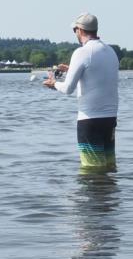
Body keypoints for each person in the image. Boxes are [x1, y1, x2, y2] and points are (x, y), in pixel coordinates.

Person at [43, 13, 119, 170]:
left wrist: (54, 84)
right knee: (109, 167)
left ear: (80, 30)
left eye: (74, 30)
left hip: (90, 121)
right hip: (110, 119)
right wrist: (71, 70)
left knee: (92, 170)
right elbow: (97, 76)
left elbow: (68, 89)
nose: (75, 33)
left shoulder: (82, 52)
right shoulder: (110, 51)